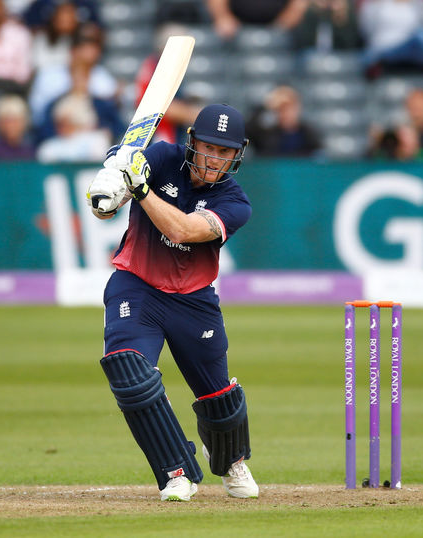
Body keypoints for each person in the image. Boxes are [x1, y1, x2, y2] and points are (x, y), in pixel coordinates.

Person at [85, 104, 259, 502]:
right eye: (208, 147)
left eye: (224, 152)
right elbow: (118, 174)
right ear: (192, 141)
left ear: (236, 156)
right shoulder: (163, 157)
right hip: (137, 286)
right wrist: (115, 175)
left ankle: (230, 460)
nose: (214, 158)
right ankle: (175, 471)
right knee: (129, 373)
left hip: (194, 301)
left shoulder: (236, 202)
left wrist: (141, 189)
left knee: (218, 395)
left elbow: (182, 231)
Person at [358, 0, 423, 78]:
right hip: (384, 47)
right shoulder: (378, 3)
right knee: (420, 37)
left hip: (411, 46)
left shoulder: (417, 3)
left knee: (422, 35)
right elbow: (366, 28)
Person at [245, 85, 322, 157]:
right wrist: (266, 105)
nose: (286, 114)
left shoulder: (309, 133)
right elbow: (248, 130)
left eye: (289, 108)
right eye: (281, 110)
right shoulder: (267, 135)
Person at [206, 0, 308, 39]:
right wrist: (223, 16)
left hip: (282, 35)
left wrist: (281, 26)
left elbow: (299, 5)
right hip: (235, 34)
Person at [0, 93, 35, 159]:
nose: (11, 126)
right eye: (7, 120)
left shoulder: (29, 150)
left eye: (15, 120)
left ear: (24, 122)